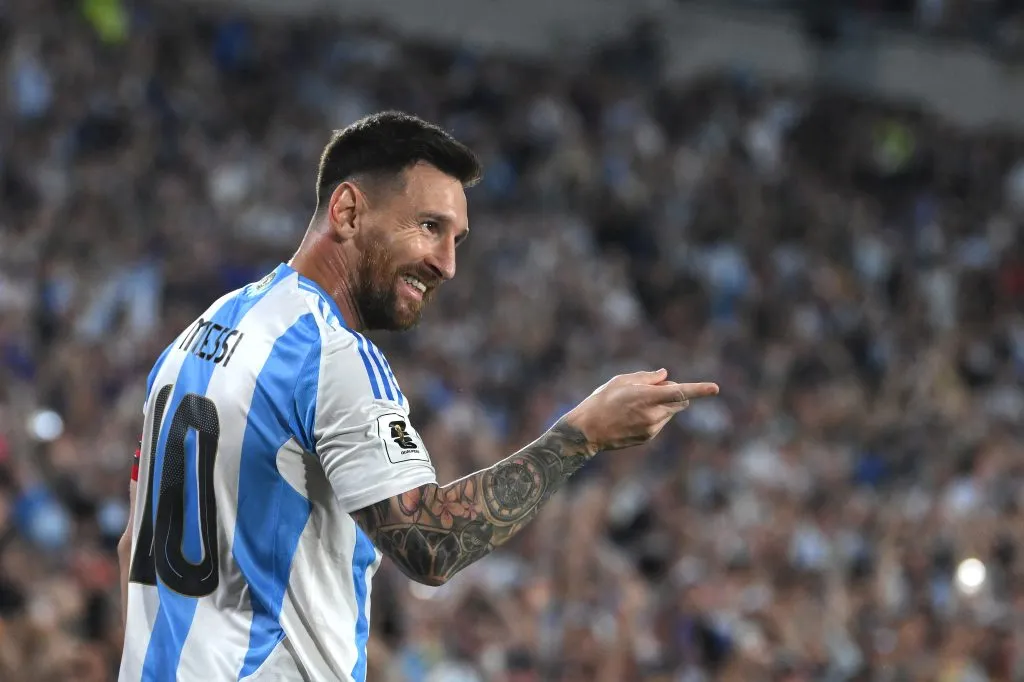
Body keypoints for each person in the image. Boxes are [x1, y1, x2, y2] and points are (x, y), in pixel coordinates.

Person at [116, 111, 719, 682]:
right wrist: (581, 434)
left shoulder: (203, 331)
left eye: (458, 238)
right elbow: (431, 545)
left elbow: (130, 544)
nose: (448, 264)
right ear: (348, 211)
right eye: (430, 227)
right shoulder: (331, 356)